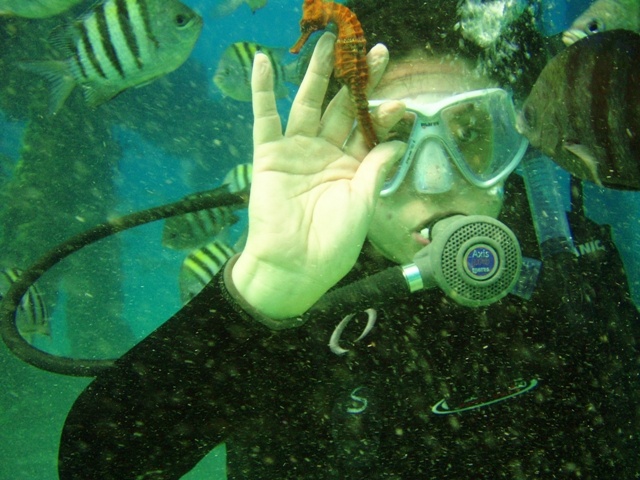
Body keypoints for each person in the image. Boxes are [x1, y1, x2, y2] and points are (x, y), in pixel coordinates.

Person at [58, 2, 640, 478]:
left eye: (471, 133)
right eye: (391, 139)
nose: (437, 183)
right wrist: (262, 295)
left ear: (518, 143)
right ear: (343, 148)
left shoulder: (563, 253)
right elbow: (97, 463)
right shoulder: (301, 292)